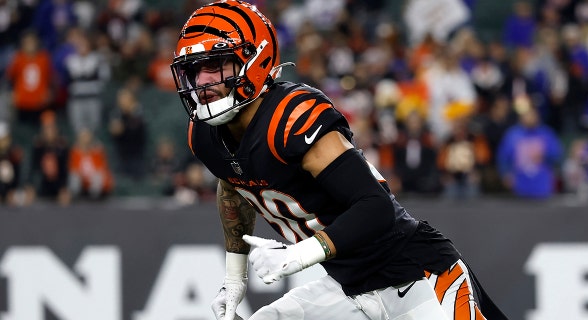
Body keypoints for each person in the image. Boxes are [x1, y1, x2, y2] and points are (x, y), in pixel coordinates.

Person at [171, 1, 507, 320]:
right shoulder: (204, 135)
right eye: (194, 71)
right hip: (346, 284)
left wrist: (299, 255)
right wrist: (234, 277)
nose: (203, 83)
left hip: (413, 274)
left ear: (253, 60)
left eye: (214, 66)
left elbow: (375, 207)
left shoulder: (290, 117)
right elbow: (234, 184)